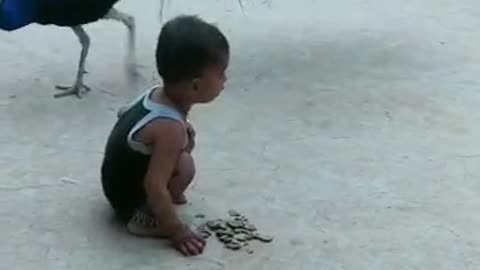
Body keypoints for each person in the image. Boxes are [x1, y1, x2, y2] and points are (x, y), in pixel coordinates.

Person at [100, 14, 229, 256]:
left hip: (114, 179)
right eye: (221, 74)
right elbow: (154, 184)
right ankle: (145, 218)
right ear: (195, 86)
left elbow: (123, 116)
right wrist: (177, 231)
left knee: (180, 155)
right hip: (126, 200)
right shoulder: (169, 127)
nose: (225, 80)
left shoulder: (156, 94)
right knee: (185, 166)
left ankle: (164, 202)